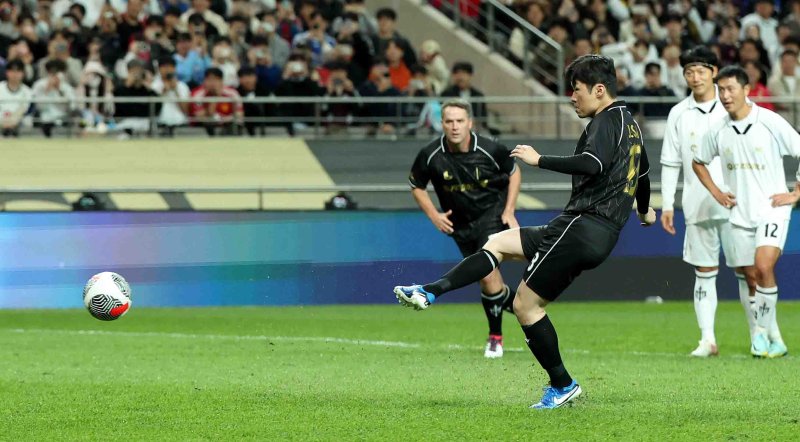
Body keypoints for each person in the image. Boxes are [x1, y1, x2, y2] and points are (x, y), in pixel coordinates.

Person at [395, 55, 655, 408]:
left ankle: (562, 385)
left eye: (576, 90)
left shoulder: (605, 121)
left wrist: (539, 159)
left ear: (598, 90)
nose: (572, 97)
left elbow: (592, 164)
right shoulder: (630, 123)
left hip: (583, 224)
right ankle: (429, 291)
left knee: (525, 306)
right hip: (586, 228)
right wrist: (644, 209)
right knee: (498, 243)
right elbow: (642, 173)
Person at [692, 65, 800, 359]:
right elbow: (698, 162)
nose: (725, 95)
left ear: (746, 90)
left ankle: (760, 332)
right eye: (721, 90)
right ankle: (774, 339)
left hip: (773, 209)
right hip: (739, 214)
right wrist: (716, 192)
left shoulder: (769, 121)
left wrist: (796, 192)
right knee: (750, 276)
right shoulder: (718, 129)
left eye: (730, 89)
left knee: (764, 267)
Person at [406, 98, 521, 358]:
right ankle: (521, 305)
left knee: (487, 274)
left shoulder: (491, 149)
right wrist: (434, 215)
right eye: (449, 121)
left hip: (491, 215)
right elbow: (416, 185)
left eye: (460, 121)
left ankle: (495, 337)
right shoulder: (430, 155)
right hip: (460, 224)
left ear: (470, 123)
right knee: (488, 280)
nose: (455, 126)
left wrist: (509, 210)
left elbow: (514, 172)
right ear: (442, 124)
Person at [660, 47, 737, 358]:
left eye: (701, 71)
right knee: (704, 272)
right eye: (689, 72)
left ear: (714, 72)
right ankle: (707, 339)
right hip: (696, 205)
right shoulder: (678, 113)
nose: (695, 77)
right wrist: (667, 205)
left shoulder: (732, 107)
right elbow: (670, 161)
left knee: (747, 270)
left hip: (736, 203)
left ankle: (761, 335)